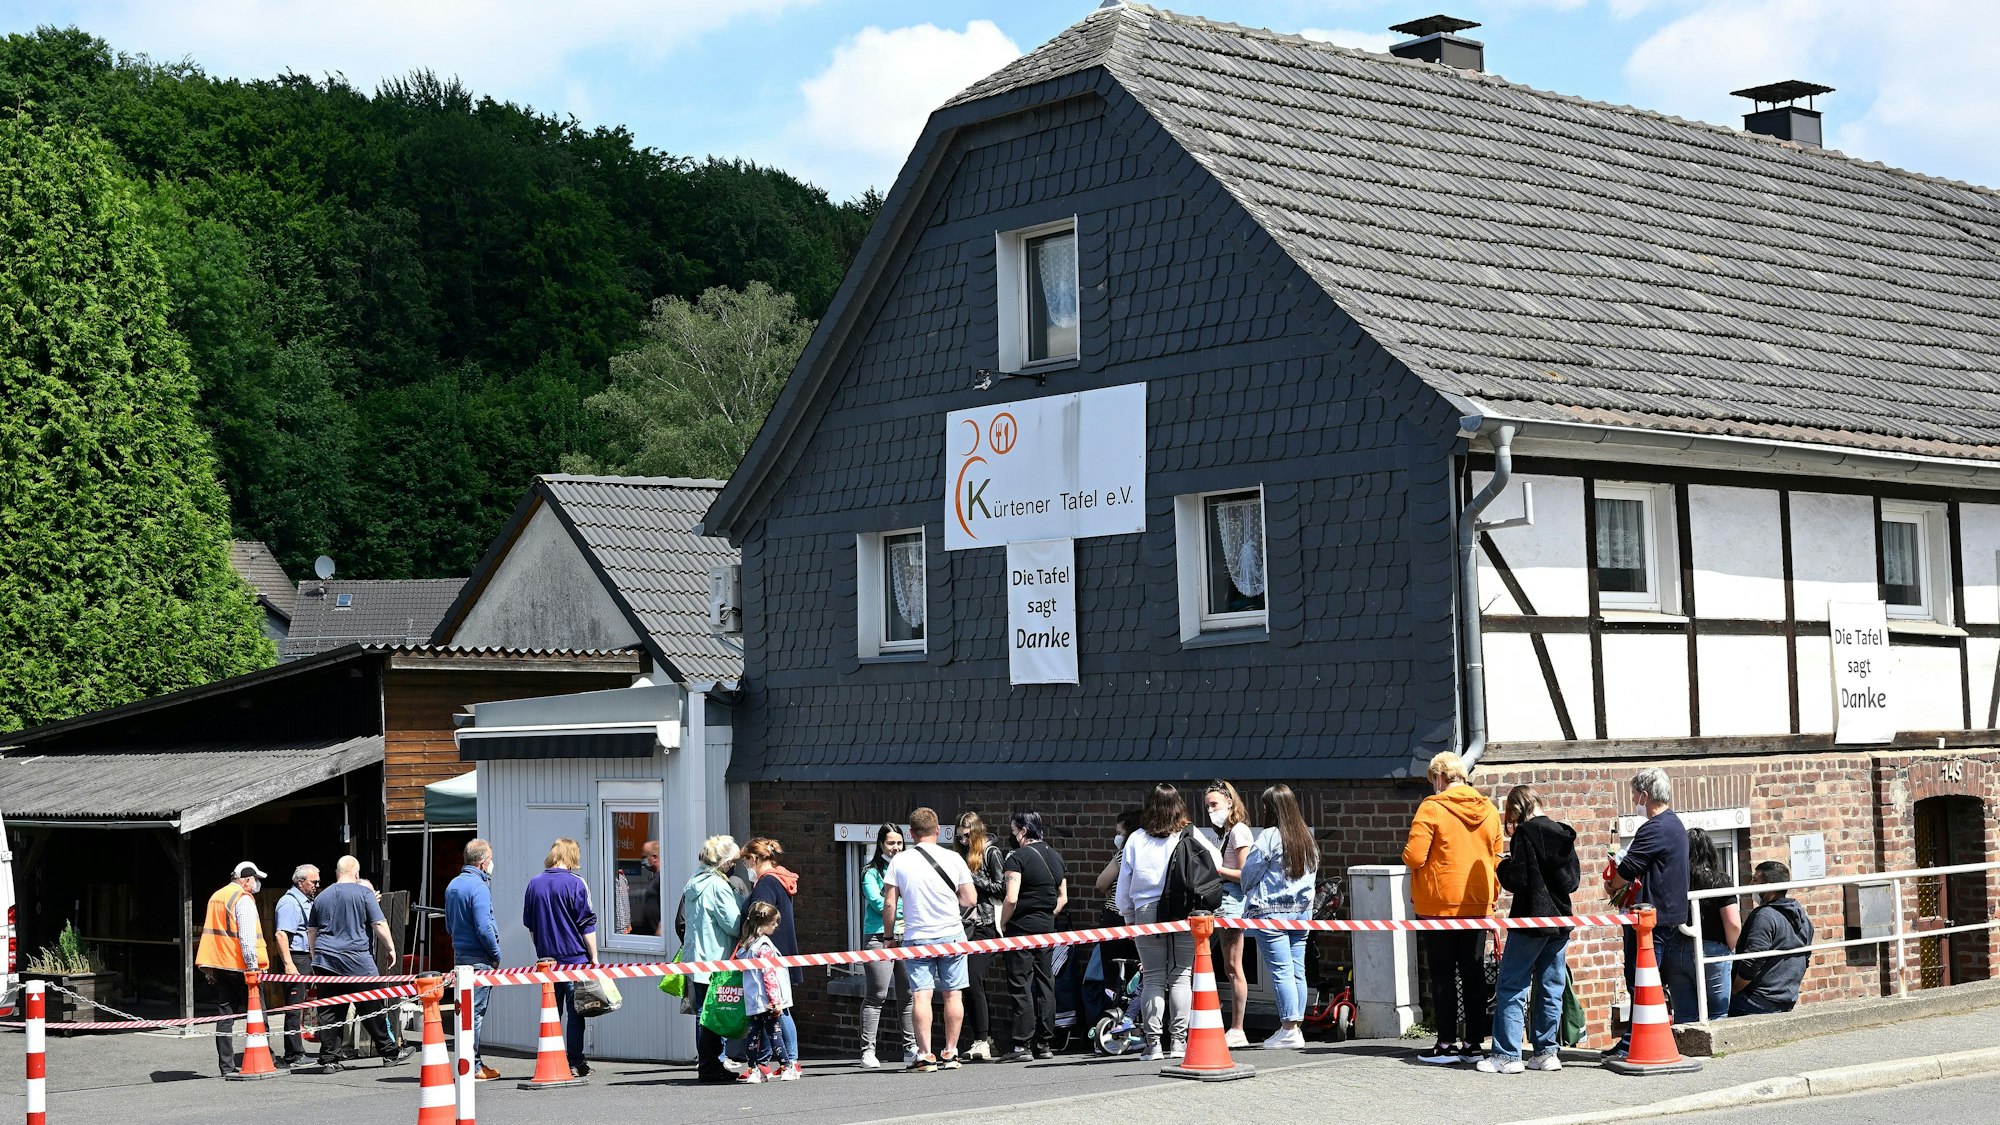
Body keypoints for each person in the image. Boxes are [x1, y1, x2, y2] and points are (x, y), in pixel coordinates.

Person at [1402, 751, 1503, 1065]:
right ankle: (1473, 1045)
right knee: (1473, 974)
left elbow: (1415, 856)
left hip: (1439, 904)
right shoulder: (1489, 809)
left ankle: (1445, 1044)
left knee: (1443, 974)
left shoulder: (1432, 807)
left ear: (1438, 778)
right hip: (1478, 901)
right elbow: (1498, 857)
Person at [1478, 785, 1579, 1074]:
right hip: (1559, 921)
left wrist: (1503, 866)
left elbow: (1518, 879)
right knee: (1550, 987)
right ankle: (1546, 1053)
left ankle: (1507, 1055)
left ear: (1518, 809)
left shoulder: (1525, 834)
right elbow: (1571, 882)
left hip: (1530, 920)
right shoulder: (1563, 833)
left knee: (1511, 985)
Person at [1605, 768, 1696, 1058]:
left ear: (1645, 795)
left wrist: (1612, 885)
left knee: (1640, 979)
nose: (1634, 800)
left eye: (1635, 795)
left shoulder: (1655, 827)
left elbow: (1628, 869)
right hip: (1668, 915)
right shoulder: (1675, 825)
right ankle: (1636, 1038)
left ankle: (1634, 1041)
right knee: (1648, 979)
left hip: (1650, 919)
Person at [881, 806, 977, 1072]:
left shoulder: (899, 861)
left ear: (911, 833)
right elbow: (971, 899)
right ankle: (951, 1052)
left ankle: (924, 1055)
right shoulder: (954, 859)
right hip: (952, 935)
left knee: (921, 996)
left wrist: (888, 936)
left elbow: (889, 904)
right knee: (953, 994)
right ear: (938, 831)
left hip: (918, 936)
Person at [1116, 783, 1197, 1062]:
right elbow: (1212, 863)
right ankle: (1179, 1042)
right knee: (1181, 976)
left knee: (1152, 978)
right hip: (1183, 910)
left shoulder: (1136, 839)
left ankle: (1153, 1045)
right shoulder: (1189, 834)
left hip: (1146, 910)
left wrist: (1128, 917)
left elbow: (1124, 884)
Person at [308, 856, 410, 1071]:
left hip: (326, 959)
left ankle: (329, 1059)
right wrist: (390, 948)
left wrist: (314, 954)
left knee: (330, 1011)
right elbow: (379, 923)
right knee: (371, 1006)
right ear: (356, 873)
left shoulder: (321, 896)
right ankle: (389, 1052)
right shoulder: (363, 893)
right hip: (357, 960)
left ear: (337, 872)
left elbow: (312, 931)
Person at [1241, 783, 1318, 1051]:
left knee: (1282, 971)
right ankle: (1295, 1028)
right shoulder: (1306, 838)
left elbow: (1248, 876)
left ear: (1271, 809)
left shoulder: (1268, 837)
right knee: (1297, 970)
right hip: (1301, 913)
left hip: (1270, 914)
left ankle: (1288, 1029)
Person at [522, 837, 599, 1079]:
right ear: (571, 856)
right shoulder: (577, 883)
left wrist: (541, 949)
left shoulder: (534, 884)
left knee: (551, 1013)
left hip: (547, 961)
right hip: (574, 959)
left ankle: (551, 1060)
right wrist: (594, 957)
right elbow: (586, 923)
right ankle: (575, 1061)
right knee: (575, 1014)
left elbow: (531, 925)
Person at [996, 811, 1067, 1062]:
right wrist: (1047, 916)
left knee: (1021, 983)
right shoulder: (1056, 856)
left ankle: (1021, 1046)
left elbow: (1011, 898)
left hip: (1021, 929)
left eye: (1014, 831)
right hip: (1047, 927)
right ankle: (1045, 1044)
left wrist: (1002, 923)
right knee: (1046, 982)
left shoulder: (1016, 858)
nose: (1012, 836)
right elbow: (1063, 898)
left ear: (1023, 831)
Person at [196, 860, 271, 1076]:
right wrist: (253, 967)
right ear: (247, 880)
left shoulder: (217, 896)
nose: (257, 884)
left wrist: (209, 969)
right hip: (241, 967)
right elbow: (247, 938)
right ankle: (263, 1059)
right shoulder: (243, 899)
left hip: (220, 965)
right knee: (258, 1015)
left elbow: (212, 935)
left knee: (225, 1017)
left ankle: (226, 1066)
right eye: (255, 879)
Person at [682, 835, 745, 1084]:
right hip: (716, 959)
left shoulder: (695, 881)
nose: (735, 866)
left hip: (696, 958)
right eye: (734, 862)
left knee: (703, 1014)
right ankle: (711, 1067)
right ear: (725, 862)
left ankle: (707, 1064)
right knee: (714, 1015)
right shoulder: (719, 887)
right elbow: (733, 924)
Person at [742, 838, 803, 1081]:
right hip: (782, 950)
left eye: (746, 860)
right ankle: (769, 1060)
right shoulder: (779, 878)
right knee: (775, 1009)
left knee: (780, 1009)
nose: (745, 865)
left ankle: (791, 1060)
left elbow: (759, 915)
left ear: (754, 859)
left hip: (768, 954)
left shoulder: (765, 883)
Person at [1200, 780, 1256, 1048]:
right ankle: (1234, 1026)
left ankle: (1237, 1028)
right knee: (1228, 967)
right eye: (1208, 806)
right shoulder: (1227, 833)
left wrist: (1216, 869)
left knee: (1234, 968)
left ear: (1230, 802)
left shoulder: (1238, 832)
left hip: (1233, 903)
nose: (1211, 810)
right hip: (1226, 901)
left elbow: (1245, 874)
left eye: (1215, 804)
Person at [859, 823, 915, 1069]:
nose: (895, 847)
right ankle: (867, 1051)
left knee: (909, 995)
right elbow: (880, 904)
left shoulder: (909, 869)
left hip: (907, 935)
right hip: (878, 936)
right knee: (877, 995)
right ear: (881, 844)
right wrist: (906, 907)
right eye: (891, 843)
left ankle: (910, 1047)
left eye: (899, 843)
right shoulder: (870, 871)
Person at [446, 838, 503, 1081]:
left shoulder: (453, 885)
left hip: (460, 956)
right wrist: (496, 954)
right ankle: (473, 1067)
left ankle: (470, 1063)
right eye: (490, 861)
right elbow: (484, 927)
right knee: (475, 1016)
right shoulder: (479, 887)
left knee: (464, 1014)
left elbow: (449, 925)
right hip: (479, 959)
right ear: (482, 863)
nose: (491, 865)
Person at [1731, 861, 1813, 1016]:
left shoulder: (1765, 916)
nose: (1750, 884)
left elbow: (1752, 962)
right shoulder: (1803, 919)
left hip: (1756, 1001)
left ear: (1768, 887)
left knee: (1709, 1008)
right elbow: (1805, 960)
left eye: (1755, 880)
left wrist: (1734, 990)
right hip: (1785, 1000)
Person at [955, 811, 1005, 1061]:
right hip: (966, 925)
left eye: (966, 836)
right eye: (959, 837)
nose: (963, 841)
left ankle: (982, 1040)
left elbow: (1002, 888)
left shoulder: (991, 852)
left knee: (973, 978)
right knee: (968, 982)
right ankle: (984, 1039)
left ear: (975, 833)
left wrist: (971, 879)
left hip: (986, 925)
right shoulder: (963, 856)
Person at [733, 901, 796, 1083]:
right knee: (775, 1034)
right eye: (774, 922)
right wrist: (775, 1001)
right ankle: (786, 1067)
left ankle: (753, 1070)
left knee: (753, 1035)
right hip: (767, 1000)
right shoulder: (764, 946)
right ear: (764, 923)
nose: (776, 926)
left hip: (752, 1000)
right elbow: (769, 976)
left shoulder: (747, 945)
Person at [1687, 828, 1742, 1022]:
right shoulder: (1720, 880)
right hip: (1713, 950)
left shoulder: (1677, 880)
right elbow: (1733, 923)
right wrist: (1731, 948)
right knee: (1717, 1013)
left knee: (1686, 1013)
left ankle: (1686, 1051)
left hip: (1679, 949)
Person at [272, 864, 319, 1068]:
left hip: (305, 958)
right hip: (296, 958)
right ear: (301, 882)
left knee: (300, 1007)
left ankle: (297, 1051)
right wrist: (289, 964)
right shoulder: (289, 903)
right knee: (294, 1008)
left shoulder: (305, 901)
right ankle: (294, 1054)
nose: (317, 885)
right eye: (313, 882)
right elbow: (281, 935)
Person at [619, 840, 663, 938]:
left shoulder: (663, 878)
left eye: (644, 857)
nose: (642, 861)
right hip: (648, 935)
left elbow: (668, 906)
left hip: (657, 938)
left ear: (655, 857)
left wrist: (661, 929)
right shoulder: (655, 877)